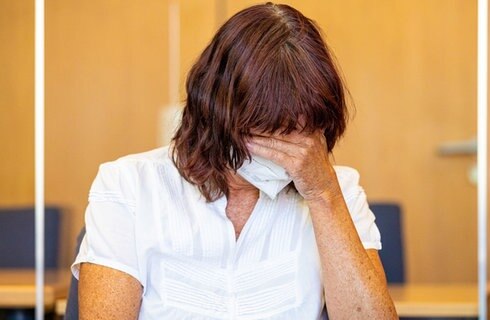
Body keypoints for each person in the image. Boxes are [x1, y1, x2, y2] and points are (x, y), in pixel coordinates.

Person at [72, 2, 398, 319]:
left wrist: (323, 195)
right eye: (269, 134)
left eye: (303, 136)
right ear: (216, 112)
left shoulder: (337, 191)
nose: (289, 154)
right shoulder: (127, 185)